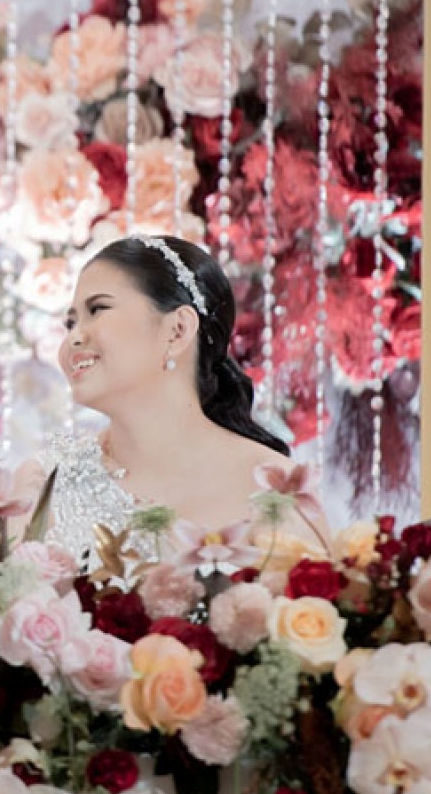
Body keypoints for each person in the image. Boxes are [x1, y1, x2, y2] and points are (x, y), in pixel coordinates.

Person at [39, 232, 324, 564]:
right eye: (70, 323)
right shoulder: (44, 484)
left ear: (178, 330)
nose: (74, 338)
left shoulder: (278, 492)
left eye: (97, 309)